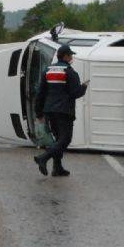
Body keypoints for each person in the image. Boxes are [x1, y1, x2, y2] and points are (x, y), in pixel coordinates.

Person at [33, 44, 88, 177]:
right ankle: (43, 158)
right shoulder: (70, 72)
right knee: (65, 139)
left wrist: (38, 112)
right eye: (70, 55)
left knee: (58, 139)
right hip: (64, 111)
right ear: (65, 56)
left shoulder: (48, 70)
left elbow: (40, 93)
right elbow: (75, 93)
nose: (71, 57)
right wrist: (84, 87)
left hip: (50, 110)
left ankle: (57, 168)